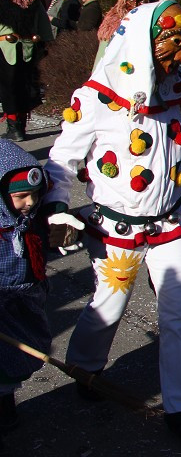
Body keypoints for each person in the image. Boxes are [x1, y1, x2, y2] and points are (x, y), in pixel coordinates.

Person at [44, 0, 181, 449]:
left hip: (170, 224)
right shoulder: (97, 97)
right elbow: (62, 160)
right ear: (143, 44)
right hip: (116, 227)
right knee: (109, 306)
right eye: (175, 45)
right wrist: (55, 207)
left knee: (177, 316)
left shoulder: (172, 90)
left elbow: (173, 158)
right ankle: (85, 366)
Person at [0, 138, 76, 441]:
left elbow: (49, 241)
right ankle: (4, 412)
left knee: (19, 356)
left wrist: (64, 234)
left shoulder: (29, 220)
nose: (30, 203)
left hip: (26, 300)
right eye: (21, 197)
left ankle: (5, 403)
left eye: (34, 195)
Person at [0, 0, 53, 141]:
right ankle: (21, 126)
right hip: (29, 45)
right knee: (26, 85)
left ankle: (14, 128)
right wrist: (46, 41)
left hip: (6, 46)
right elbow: (43, 21)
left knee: (8, 87)